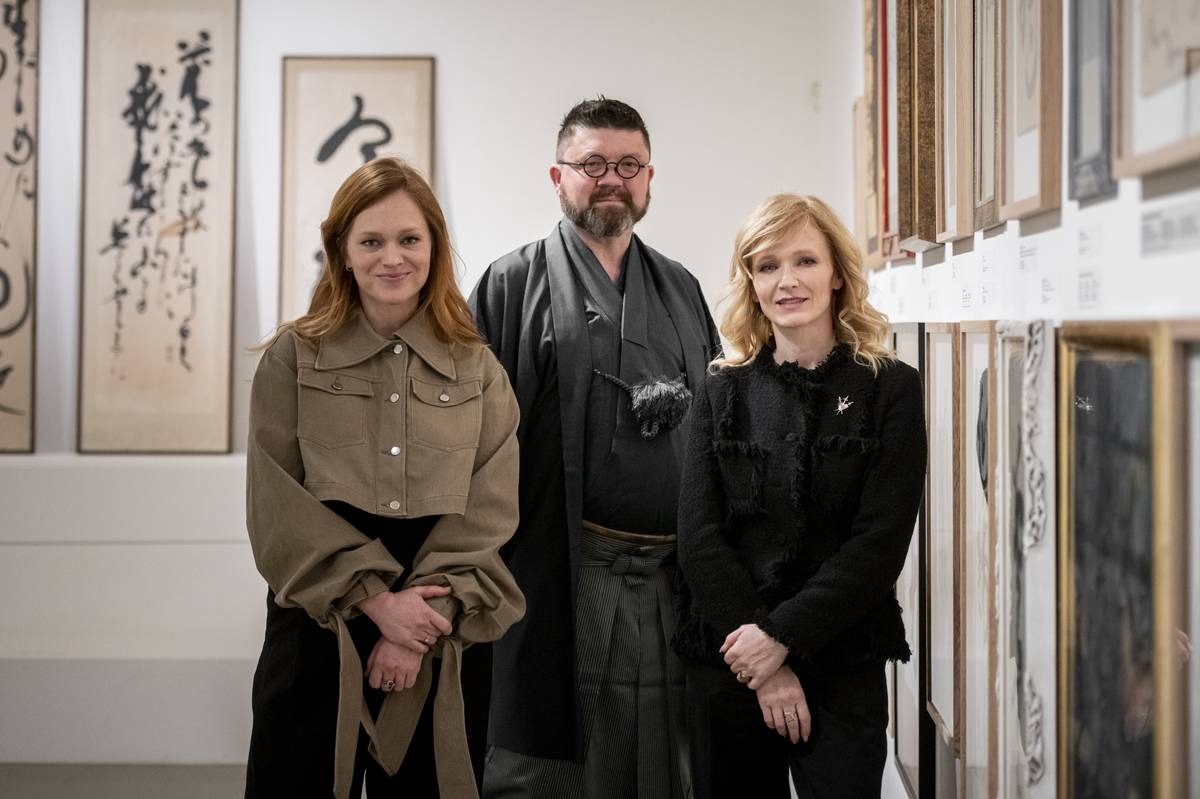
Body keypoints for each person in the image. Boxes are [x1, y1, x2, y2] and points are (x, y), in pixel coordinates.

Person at [244, 157, 524, 799]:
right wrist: (376, 604)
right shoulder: (292, 358)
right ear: (342, 252)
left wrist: (414, 627)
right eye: (371, 241)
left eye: (409, 239)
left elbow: (490, 510)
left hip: (438, 628)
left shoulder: (479, 369)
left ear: (434, 248)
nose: (392, 258)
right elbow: (275, 505)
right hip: (317, 626)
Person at [469, 97, 720, 798]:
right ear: (558, 177)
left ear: (649, 177)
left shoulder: (681, 286)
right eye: (593, 164)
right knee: (554, 766)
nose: (612, 178)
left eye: (629, 165)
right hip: (562, 569)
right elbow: (470, 443)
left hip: (671, 575)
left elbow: (717, 430)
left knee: (666, 763)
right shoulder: (511, 284)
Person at [674, 194, 927, 798]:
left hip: (844, 657)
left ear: (837, 273)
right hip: (733, 657)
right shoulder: (720, 389)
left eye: (805, 261)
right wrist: (764, 665)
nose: (787, 280)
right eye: (767, 266)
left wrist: (782, 638)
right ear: (751, 283)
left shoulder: (890, 386)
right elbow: (699, 537)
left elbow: (880, 542)